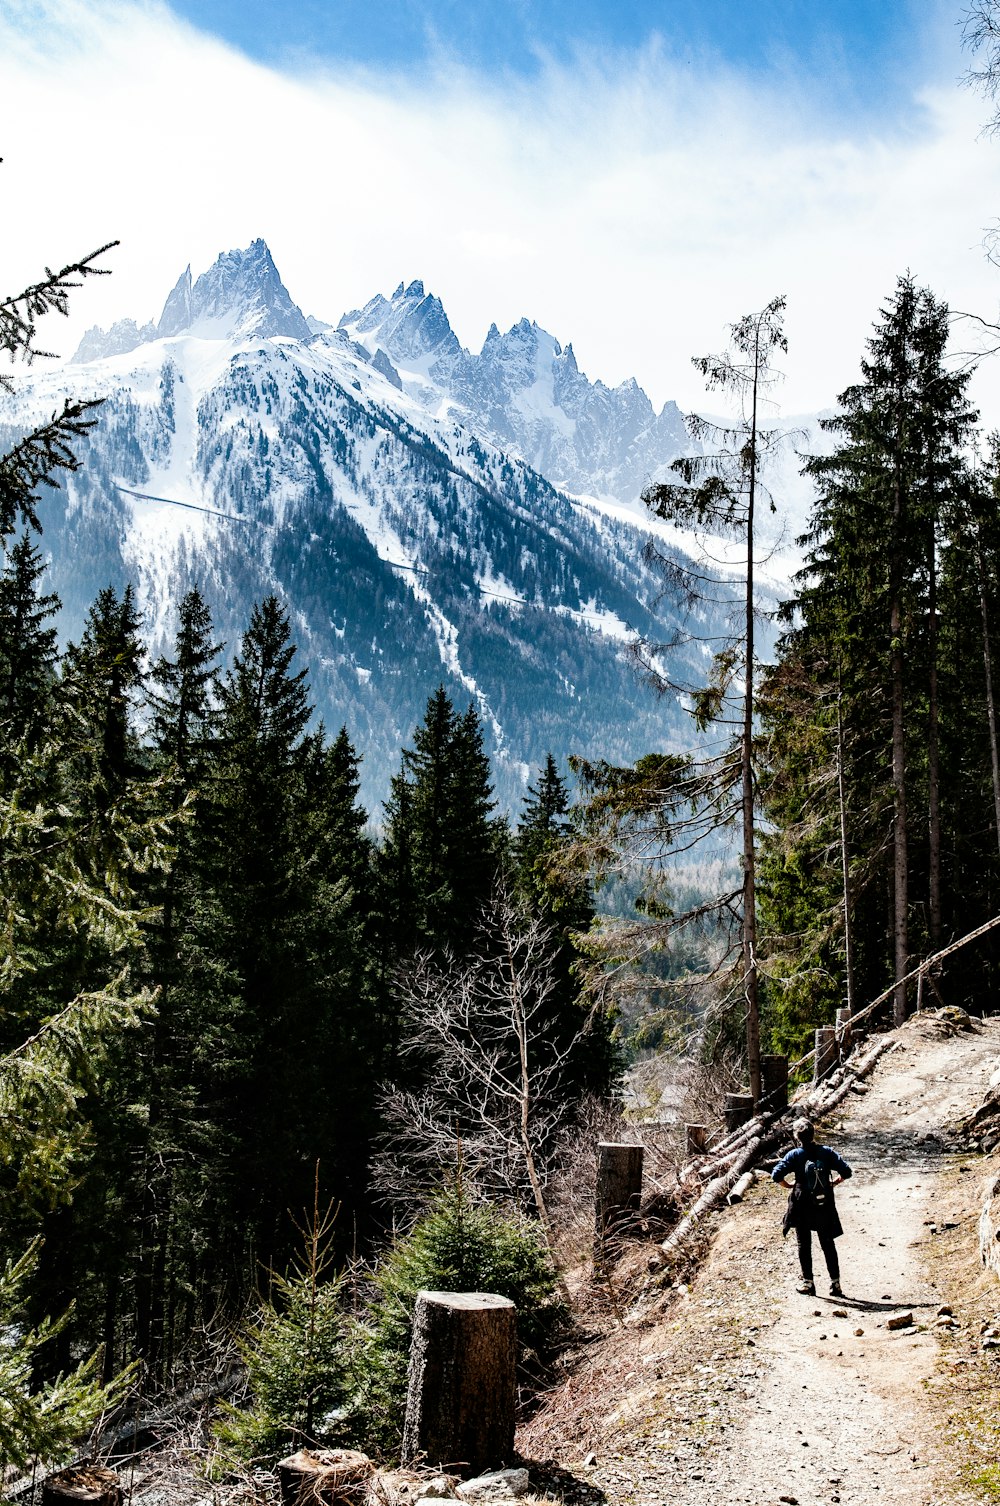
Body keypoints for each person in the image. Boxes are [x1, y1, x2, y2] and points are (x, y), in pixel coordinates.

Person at [772, 1117, 852, 1297]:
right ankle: (835, 1284)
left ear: (796, 1136)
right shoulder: (826, 1152)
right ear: (813, 1133)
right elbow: (846, 1171)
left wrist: (789, 1186)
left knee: (804, 1243)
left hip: (801, 1204)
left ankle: (808, 1283)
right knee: (827, 1242)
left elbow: (776, 1175)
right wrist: (834, 1183)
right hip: (823, 1203)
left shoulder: (794, 1155)